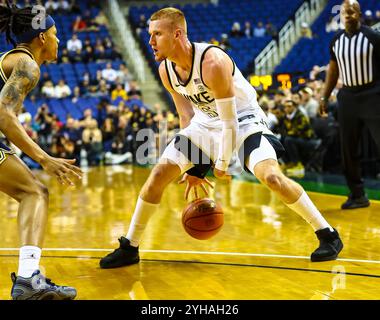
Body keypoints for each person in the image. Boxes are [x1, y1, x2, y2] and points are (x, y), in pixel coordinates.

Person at [100, 7, 343, 269]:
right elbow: (185, 116)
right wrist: (194, 165)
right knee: (158, 175)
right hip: (204, 124)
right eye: (150, 34)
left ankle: (327, 234)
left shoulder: (212, 62)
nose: (150, 41)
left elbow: (229, 123)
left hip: (244, 120)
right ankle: (130, 247)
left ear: (177, 34)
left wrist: (220, 165)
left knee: (271, 177)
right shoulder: (165, 70)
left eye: (157, 34)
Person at [0, 2, 82, 299]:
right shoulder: (27, 65)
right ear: (43, 37)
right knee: (34, 192)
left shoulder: (10, 60)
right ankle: (28, 279)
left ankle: (28, 278)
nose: (59, 40)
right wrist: (45, 158)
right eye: (56, 33)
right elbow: (3, 114)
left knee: (32, 192)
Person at [319, 0, 380, 209]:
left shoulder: (373, 37)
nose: (349, 14)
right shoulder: (336, 41)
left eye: (353, 11)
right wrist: (324, 97)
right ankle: (357, 195)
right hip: (348, 98)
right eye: (345, 11)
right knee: (348, 149)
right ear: (341, 15)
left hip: (373, 94)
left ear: (359, 14)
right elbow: (333, 71)